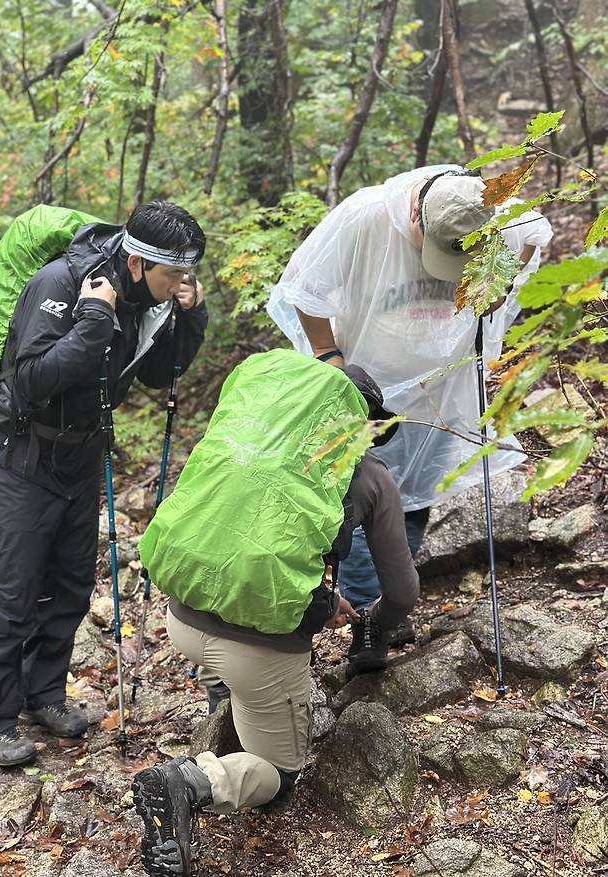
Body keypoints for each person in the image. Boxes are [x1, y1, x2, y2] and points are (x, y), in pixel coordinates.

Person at [131, 349, 419, 877]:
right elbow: (402, 592)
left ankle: (219, 692)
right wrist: (373, 619)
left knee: (236, 674)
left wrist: (324, 602)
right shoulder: (369, 477)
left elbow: (238, 545)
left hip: (181, 619)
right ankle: (194, 782)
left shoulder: (250, 444)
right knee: (279, 772)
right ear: (363, 427)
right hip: (257, 651)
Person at [267, 165, 553, 671]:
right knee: (356, 504)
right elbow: (304, 290)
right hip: (369, 392)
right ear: (416, 214)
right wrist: (329, 356)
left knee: (415, 499)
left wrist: (501, 285)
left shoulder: (491, 209)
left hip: (439, 387)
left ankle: (385, 611)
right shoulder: (364, 216)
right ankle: (360, 617)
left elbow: (537, 231)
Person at [0, 200, 208, 767]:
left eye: (186, 274)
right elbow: (28, 381)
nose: (181, 283)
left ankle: (43, 696)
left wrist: (190, 316)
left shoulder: (151, 299)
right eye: (174, 274)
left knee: (70, 584)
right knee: (10, 592)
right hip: (20, 454)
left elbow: (154, 374)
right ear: (135, 263)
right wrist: (94, 324)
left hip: (80, 458)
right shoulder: (63, 282)